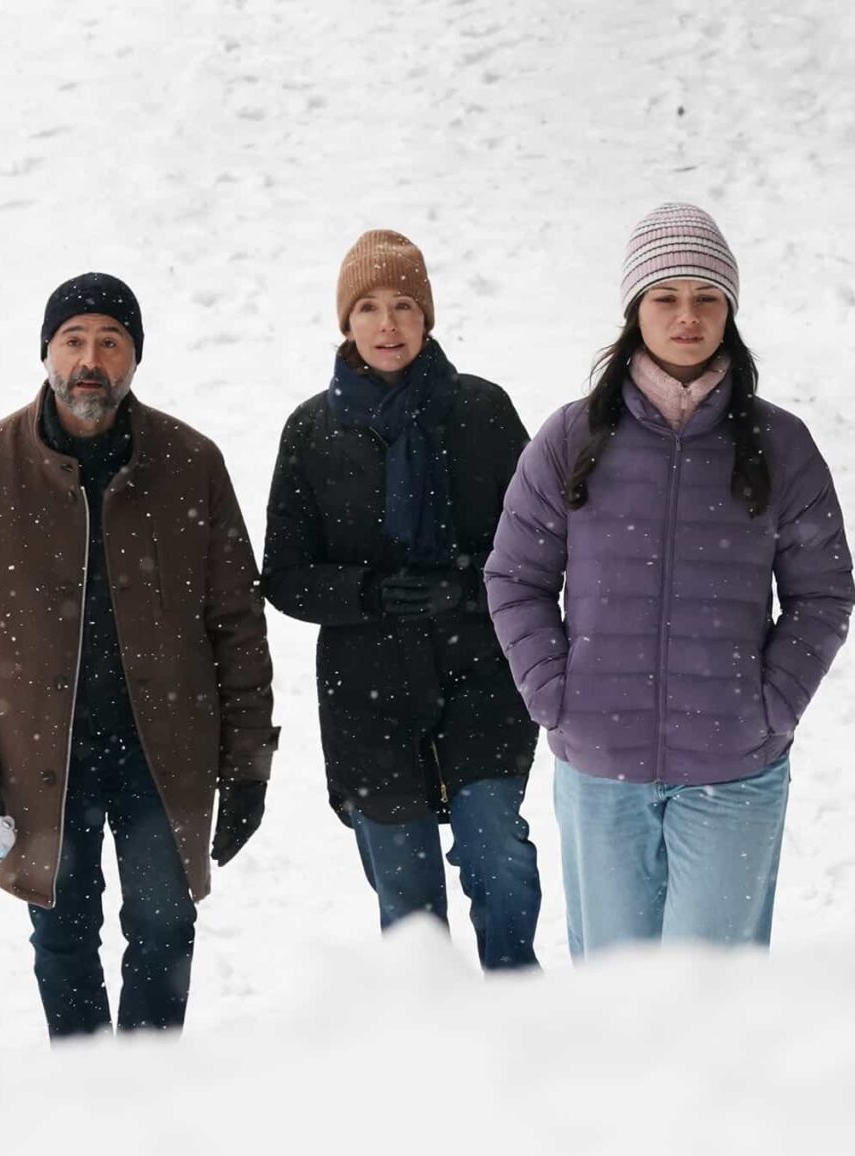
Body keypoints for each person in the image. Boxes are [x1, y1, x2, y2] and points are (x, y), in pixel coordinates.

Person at [484, 204, 855, 958]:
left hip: (734, 770)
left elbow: (823, 593)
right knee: (617, 1006)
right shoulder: (572, 437)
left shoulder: (779, 443)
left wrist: (768, 704)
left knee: (712, 1002)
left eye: (706, 297)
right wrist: (558, 696)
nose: (687, 315)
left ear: (729, 311)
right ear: (635, 310)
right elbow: (515, 577)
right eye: (666, 296)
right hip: (601, 770)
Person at [0, 272, 280, 1037]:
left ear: (134, 359)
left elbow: (237, 623)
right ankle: (85, 1107)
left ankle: (146, 1103)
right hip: (42, 753)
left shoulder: (190, 463)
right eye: (74, 340)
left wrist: (248, 762)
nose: (91, 359)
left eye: (111, 342)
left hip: (164, 749)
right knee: (63, 938)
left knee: (163, 930)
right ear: (46, 352)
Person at [262, 230, 541, 970]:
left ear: (428, 317)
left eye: (405, 305)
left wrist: (464, 582)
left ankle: (525, 1014)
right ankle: (431, 1046)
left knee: (496, 855)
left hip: (482, 676)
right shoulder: (312, 431)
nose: (388, 325)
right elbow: (284, 576)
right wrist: (368, 593)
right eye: (370, 308)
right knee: (408, 903)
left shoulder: (482, 412)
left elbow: (542, 548)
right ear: (346, 322)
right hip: (367, 694)